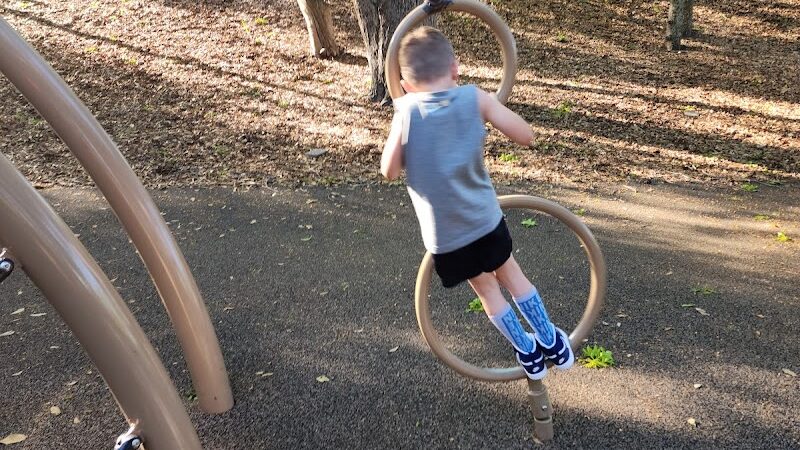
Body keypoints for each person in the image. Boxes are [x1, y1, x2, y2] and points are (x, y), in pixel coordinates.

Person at [380, 26, 573, 380]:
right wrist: (487, 106)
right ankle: (552, 343)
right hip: (484, 221)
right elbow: (526, 135)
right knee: (513, 277)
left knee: (487, 291)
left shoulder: (406, 112)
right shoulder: (473, 97)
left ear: (405, 85)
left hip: (446, 239)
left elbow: (389, 170)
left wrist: (401, 117)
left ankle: (527, 353)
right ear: (455, 68)